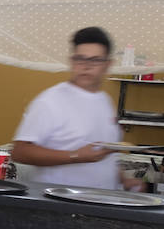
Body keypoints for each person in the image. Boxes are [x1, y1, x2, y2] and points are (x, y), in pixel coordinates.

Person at [12, 27, 126, 190]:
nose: (86, 66)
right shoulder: (50, 101)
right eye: (80, 59)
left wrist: (123, 179)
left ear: (108, 65)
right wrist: (76, 156)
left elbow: (104, 157)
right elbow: (20, 152)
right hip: (61, 203)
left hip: (101, 202)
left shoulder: (105, 101)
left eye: (95, 60)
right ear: (72, 61)